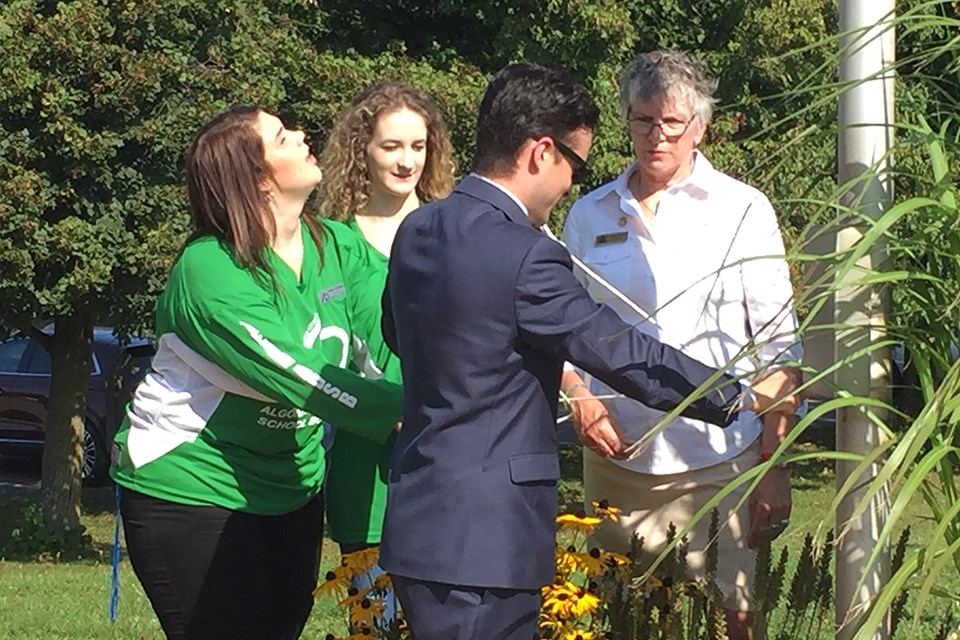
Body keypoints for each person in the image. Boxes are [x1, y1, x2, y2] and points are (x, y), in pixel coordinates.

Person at [379, 62, 799, 640]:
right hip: (490, 536)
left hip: (421, 520)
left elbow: (397, 335)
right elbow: (620, 353)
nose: (572, 183)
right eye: (573, 164)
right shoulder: (527, 252)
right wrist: (743, 395)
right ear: (540, 152)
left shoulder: (419, 229)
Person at [109, 105, 402, 640]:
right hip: (193, 486)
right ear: (257, 177)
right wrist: (402, 414)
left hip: (292, 486)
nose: (302, 135)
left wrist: (431, 391)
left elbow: (388, 332)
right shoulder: (209, 270)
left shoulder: (338, 245)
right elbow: (298, 372)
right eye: (283, 136)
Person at [560, 50, 801, 640]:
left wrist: (773, 464)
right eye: (642, 120)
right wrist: (580, 398)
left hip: (722, 457)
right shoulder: (590, 214)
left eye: (671, 123)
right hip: (618, 458)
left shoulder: (742, 209)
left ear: (701, 127)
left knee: (733, 621)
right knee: (625, 621)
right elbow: (559, 327)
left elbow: (777, 345)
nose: (656, 136)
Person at [316, 81, 455, 621]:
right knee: (373, 623)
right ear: (361, 150)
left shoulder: (452, 229)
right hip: (365, 461)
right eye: (391, 146)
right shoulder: (332, 241)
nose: (406, 161)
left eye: (418, 147)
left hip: (444, 451)